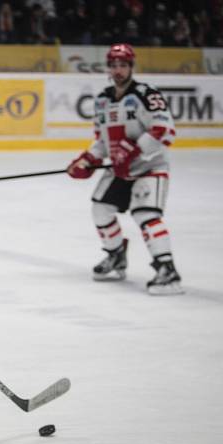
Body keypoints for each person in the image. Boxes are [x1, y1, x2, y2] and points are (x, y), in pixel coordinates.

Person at [67, 43, 182, 295]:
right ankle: (116, 255)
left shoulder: (145, 94)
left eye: (123, 65)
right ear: (108, 68)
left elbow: (165, 130)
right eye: (114, 65)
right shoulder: (103, 100)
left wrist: (133, 150)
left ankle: (167, 268)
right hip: (120, 170)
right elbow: (102, 141)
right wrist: (87, 159)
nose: (118, 70)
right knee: (100, 209)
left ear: (131, 67)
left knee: (145, 214)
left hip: (149, 167)